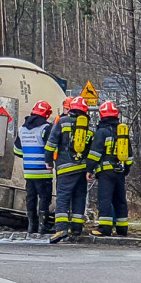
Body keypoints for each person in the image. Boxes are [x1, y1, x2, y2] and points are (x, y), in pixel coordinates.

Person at [45, 96, 93, 243]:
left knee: (63, 198)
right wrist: (90, 169)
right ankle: (77, 229)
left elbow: (51, 144)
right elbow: (92, 150)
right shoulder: (89, 126)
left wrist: (49, 161)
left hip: (65, 168)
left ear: (71, 108)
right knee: (79, 197)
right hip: (83, 168)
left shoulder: (62, 122)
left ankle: (61, 229)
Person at [87, 101, 133, 237]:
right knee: (120, 200)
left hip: (106, 173)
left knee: (105, 199)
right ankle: (122, 228)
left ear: (102, 115)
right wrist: (126, 169)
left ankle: (105, 228)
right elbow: (129, 155)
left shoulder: (102, 132)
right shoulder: (122, 132)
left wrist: (89, 169)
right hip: (120, 171)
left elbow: (95, 153)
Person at [13, 100, 54, 234]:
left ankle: (32, 226)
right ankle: (43, 226)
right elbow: (51, 148)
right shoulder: (46, 128)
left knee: (31, 197)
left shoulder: (22, 129)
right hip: (43, 170)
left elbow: (17, 151)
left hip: (28, 171)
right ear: (46, 114)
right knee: (44, 198)